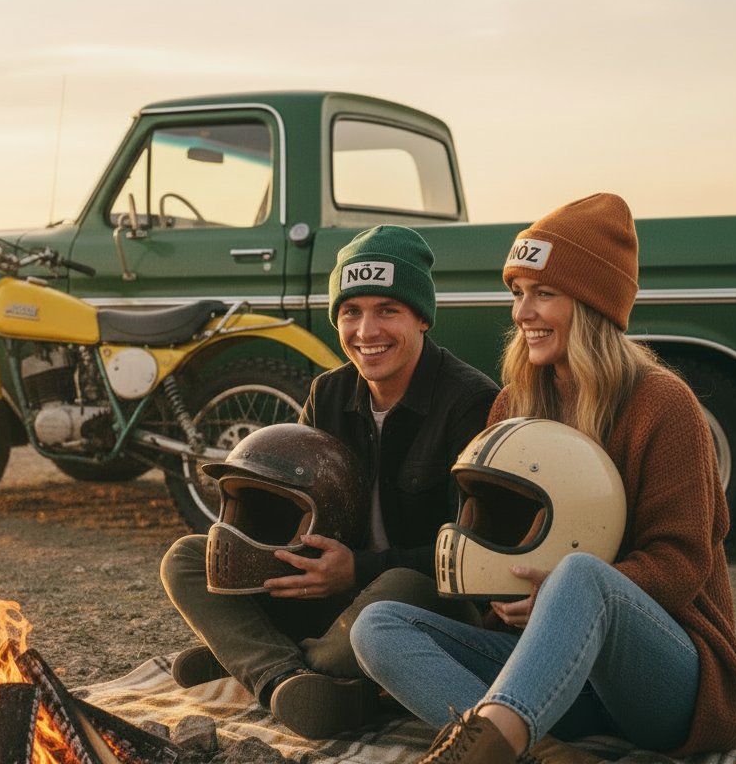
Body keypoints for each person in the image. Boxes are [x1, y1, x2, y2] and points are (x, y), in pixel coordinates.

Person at [350, 194, 736, 762]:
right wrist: (505, 599)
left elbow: (682, 562)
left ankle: (493, 745)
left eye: (544, 294)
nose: (521, 313)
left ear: (593, 304)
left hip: (666, 685)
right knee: (378, 626)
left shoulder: (665, 405)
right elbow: (496, 547)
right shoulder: (513, 406)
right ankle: (541, 751)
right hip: (554, 677)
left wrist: (561, 595)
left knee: (580, 576)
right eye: (517, 294)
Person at [160, 225, 500, 739]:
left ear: (422, 317)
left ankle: (259, 663)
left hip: (419, 607)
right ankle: (288, 677)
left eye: (388, 309)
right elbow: (294, 510)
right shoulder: (327, 391)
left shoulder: (471, 401)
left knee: (401, 588)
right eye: (351, 311)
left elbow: (473, 556)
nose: (367, 331)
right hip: (330, 599)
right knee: (188, 556)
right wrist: (277, 551)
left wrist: (356, 570)